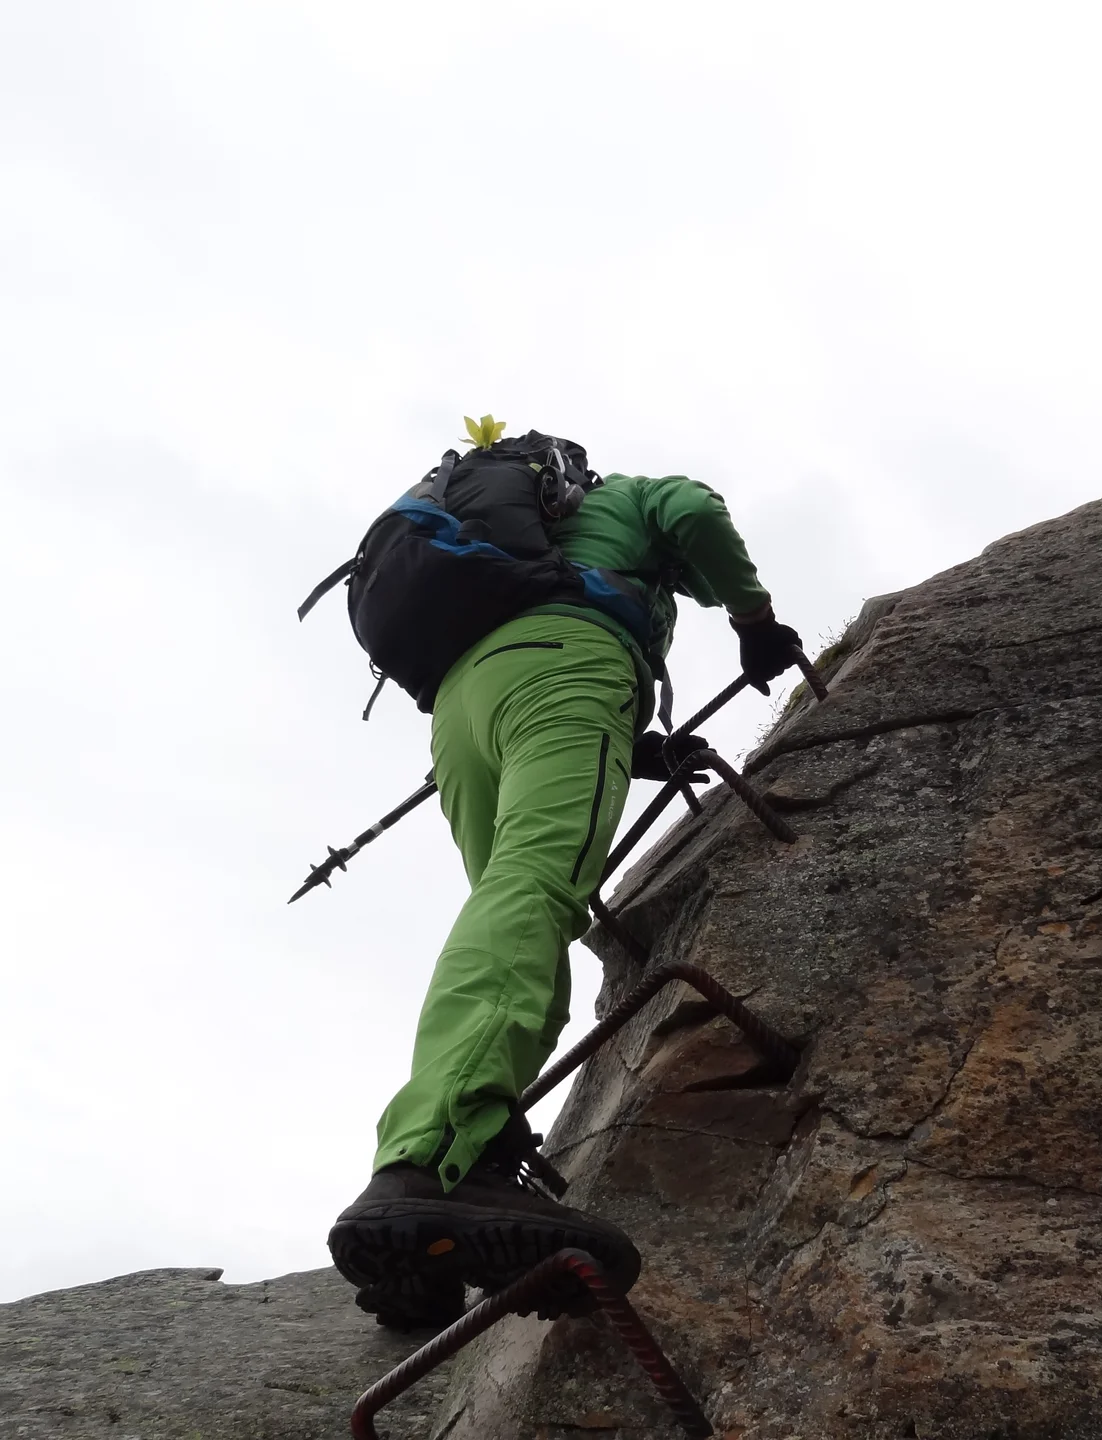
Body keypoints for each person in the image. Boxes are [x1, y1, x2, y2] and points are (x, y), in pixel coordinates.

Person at [325, 422, 802, 1330]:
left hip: (463, 709)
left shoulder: (516, 544)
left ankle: (465, 1169)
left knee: (513, 907)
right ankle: (428, 1167)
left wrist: (637, 751)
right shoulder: (628, 496)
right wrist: (752, 619)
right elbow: (695, 509)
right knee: (537, 893)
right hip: (570, 662)